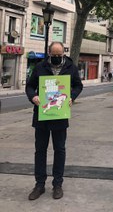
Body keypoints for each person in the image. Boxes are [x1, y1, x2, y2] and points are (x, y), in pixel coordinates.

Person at [26, 41, 83, 201]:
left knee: (60, 150)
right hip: (42, 116)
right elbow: (29, 87)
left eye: (60, 55)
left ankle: (57, 184)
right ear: (49, 53)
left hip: (60, 116)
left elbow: (79, 86)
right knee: (40, 151)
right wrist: (33, 97)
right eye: (54, 55)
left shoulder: (71, 68)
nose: (57, 58)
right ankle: (39, 185)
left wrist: (72, 97)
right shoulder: (39, 67)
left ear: (63, 54)